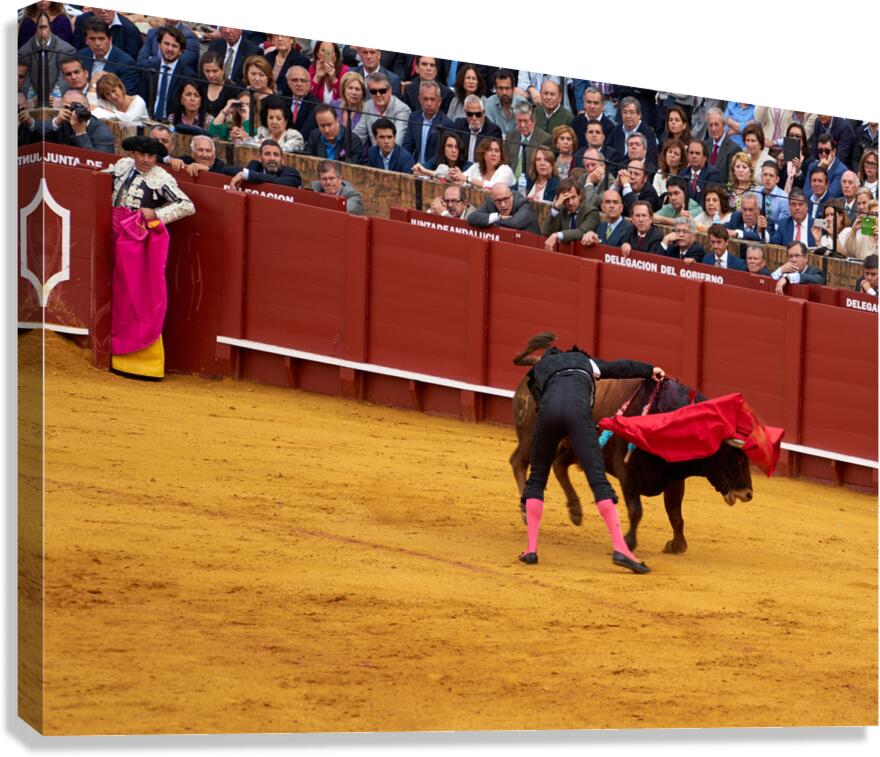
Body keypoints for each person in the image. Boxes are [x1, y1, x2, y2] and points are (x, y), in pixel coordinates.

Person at [514, 331, 664, 572]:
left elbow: (539, 400)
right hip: (578, 414)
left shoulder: (539, 370)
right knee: (598, 481)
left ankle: (531, 550)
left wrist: (551, 427)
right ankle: (620, 549)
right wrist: (650, 370)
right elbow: (621, 367)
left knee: (537, 479)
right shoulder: (586, 362)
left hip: (548, 414)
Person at [102, 135, 195, 379]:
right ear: (133, 154)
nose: (146, 160)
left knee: (136, 294)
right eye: (142, 154)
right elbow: (98, 180)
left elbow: (187, 205)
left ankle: (142, 362)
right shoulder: (121, 167)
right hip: (109, 232)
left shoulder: (160, 178)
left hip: (136, 240)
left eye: (151, 156)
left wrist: (156, 215)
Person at [24, 87, 114, 152]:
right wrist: (56, 123)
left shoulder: (102, 132)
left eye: (77, 106)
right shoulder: (62, 122)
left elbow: (98, 162)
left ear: (89, 108)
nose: (71, 111)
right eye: (66, 107)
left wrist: (80, 132)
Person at [138, 25, 196, 122]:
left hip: (173, 123)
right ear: (159, 45)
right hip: (148, 120)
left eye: (174, 46)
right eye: (166, 44)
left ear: (181, 51)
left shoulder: (188, 76)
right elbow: (142, 97)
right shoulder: (149, 68)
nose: (170, 49)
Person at [17, 9, 75, 104]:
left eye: (45, 27)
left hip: (59, 99)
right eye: (40, 28)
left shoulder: (67, 50)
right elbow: (24, 77)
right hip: (31, 101)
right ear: (36, 28)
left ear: (50, 28)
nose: (43, 32)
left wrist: (56, 95)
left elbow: (65, 76)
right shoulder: (23, 52)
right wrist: (31, 95)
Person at [76, 17, 138, 95]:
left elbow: (124, 94)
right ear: (86, 41)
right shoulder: (80, 56)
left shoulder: (126, 63)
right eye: (92, 39)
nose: (97, 43)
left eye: (101, 39)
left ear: (110, 40)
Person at [402, 80, 455, 168]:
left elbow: (443, 155)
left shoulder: (446, 123)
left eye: (432, 99)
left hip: (434, 170)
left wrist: (425, 168)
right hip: (414, 167)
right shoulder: (414, 117)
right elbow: (407, 146)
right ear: (420, 99)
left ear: (439, 101)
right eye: (425, 99)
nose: (429, 103)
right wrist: (408, 165)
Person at [354, 71, 411, 149]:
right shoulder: (367, 106)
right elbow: (359, 136)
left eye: (382, 91)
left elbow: (396, 142)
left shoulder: (402, 110)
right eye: (373, 91)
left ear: (390, 90)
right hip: (374, 154)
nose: (378, 95)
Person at [541, 179, 599, 250]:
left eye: (573, 197)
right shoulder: (561, 209)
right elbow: (547, 232)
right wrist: (556, 207)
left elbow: (581, 232)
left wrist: (557, 235)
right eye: (566, 199)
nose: (570, 203)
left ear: (579, 196)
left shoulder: (591, 211)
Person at [505, 102, 552, 186]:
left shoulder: (545, 139)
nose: (522, 125)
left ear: (533, 121)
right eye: (519, 121)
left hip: (532, 184)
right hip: (509, 182)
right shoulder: (510, 136)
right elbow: (505, 162)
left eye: (526, 121)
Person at [226, 139, 303, 190]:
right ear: (260, 157)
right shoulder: (255, 166)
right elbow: (226, 170)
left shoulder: (291, 172)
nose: (272, 158)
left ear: (282, 159)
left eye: (276, 155)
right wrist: (243, 174)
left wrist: (248, 175)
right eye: (267, 154)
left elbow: (279, 182)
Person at [468, 183, 540, 233]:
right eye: (498, 201)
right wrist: (498, 216)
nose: (503, 205)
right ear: (493, 200)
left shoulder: (523, 204)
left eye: (506, 199)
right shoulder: (491, 202)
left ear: (511, 196)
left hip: (531, 246)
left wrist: (490, 221)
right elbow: (472, 218)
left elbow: (514, 224)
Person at [608, 96, 658, 167]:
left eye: (631, 112)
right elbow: (609, 151)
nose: (628, 116)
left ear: (639, 115)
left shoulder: (647, 132)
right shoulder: (617, 129)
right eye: (625, 112)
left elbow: (651, 160)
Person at [198, 51, 239, 122]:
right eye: (207, 71)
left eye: (215, 71)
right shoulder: (201, 85)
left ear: (222, 70)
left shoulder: (232, 90)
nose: (211, 75)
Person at [484, 69, 526, 136]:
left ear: (513, 89)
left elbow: (524, 133)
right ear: (496, 89)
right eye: (500, 88)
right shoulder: (490, 103)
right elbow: (489, 131)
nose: (504, 92)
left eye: (507, 88)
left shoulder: (522, 103)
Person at [285, 65, 320, 142]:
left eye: (303, 81)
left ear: (309, 84)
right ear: (288, 83)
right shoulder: (283, 100)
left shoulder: (315, 104)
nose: (299, 84)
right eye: (295, 80)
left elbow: (307, 131)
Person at [703, 107, 740, 178]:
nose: (713, 129)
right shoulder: (704, 145)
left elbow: (731, 178)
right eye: (710, 125)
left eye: (716, 124)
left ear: (724, 125)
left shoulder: (734, 149)